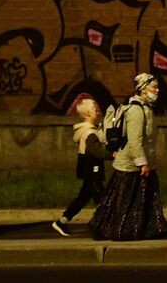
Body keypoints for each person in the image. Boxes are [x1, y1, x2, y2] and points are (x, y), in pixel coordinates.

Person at [89, 73, 167, 240]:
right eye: (154, 87)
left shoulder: (146, 109)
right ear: (143, 89)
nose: (157, 90)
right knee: (125, 202)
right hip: (131, 166)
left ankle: (147, 229)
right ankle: (119, 230)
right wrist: (142, 163)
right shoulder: (136, 111)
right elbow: (134, 141)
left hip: (141, 164)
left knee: (143, 200)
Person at [52, 93, 107, 236]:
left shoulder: (90, 131)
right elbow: (99, 153)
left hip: (88, 171)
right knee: (103, 199)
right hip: (92, 171)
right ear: (88, 113)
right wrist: (113, 154)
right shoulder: (89, 133)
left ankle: (61, 221)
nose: (98, 110)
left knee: (82, 198)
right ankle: (103, 225)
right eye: (95, 109)